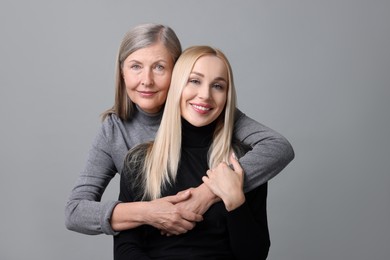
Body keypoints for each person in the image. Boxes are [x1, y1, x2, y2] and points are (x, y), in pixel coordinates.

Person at [65, 23, 294, 236]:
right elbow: (75, 212)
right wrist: (149, 212)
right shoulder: (114, 131)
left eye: (159, 67)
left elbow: (278, 147)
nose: (147, 80)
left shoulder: (203, 110)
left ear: (178, 73)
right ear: (122, 72)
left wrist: (206, 194)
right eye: (135, 66)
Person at [114, 46, 270, 259]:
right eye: (194, 81)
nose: (205, 95)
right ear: (177, 86)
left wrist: (235, 201)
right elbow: (125, 249)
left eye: (218, 86)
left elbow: (255, 254)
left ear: (227, 96)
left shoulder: (242, 161)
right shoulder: (139, 161)